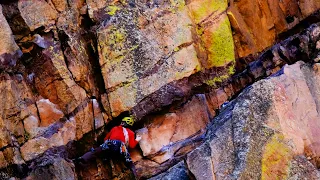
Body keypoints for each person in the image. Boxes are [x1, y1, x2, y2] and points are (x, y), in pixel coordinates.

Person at [73, 116, 141, 177]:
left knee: (94, 152)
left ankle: (82, 158)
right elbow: (132, 145)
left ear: (122, 122)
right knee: (129, 161)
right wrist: (137, 139)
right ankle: (134, 174)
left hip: (110, 143)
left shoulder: (114, 128)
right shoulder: (131, 133)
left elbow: (105, 139)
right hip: (121, 146)